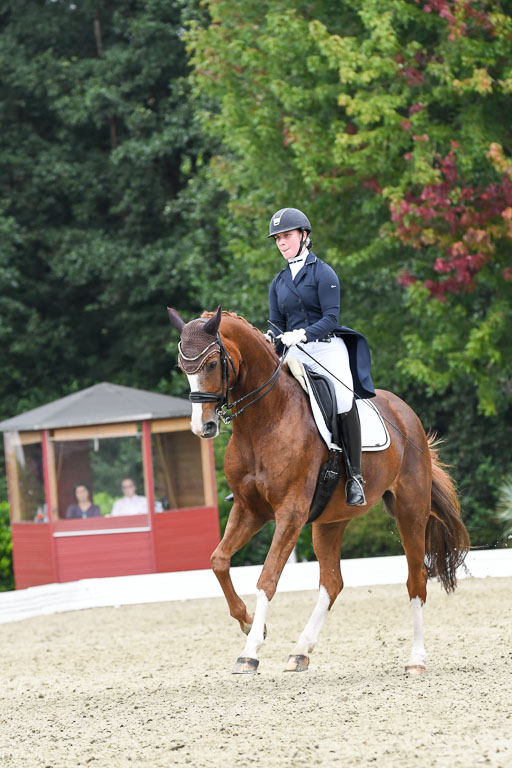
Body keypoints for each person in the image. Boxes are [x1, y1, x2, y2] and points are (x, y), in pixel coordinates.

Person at [266, 207, 376, 506]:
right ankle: (259, 473)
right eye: (277, 239)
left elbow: (331, 317)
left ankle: (355, 476)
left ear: (303, 235)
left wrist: (302, 333)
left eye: (286, 236)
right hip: (293, 352)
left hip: (326, 348)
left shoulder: (323, 272)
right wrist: (270, 340)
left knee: (342, 398)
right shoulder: (278, 282)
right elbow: (276, 323)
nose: (281, 243)